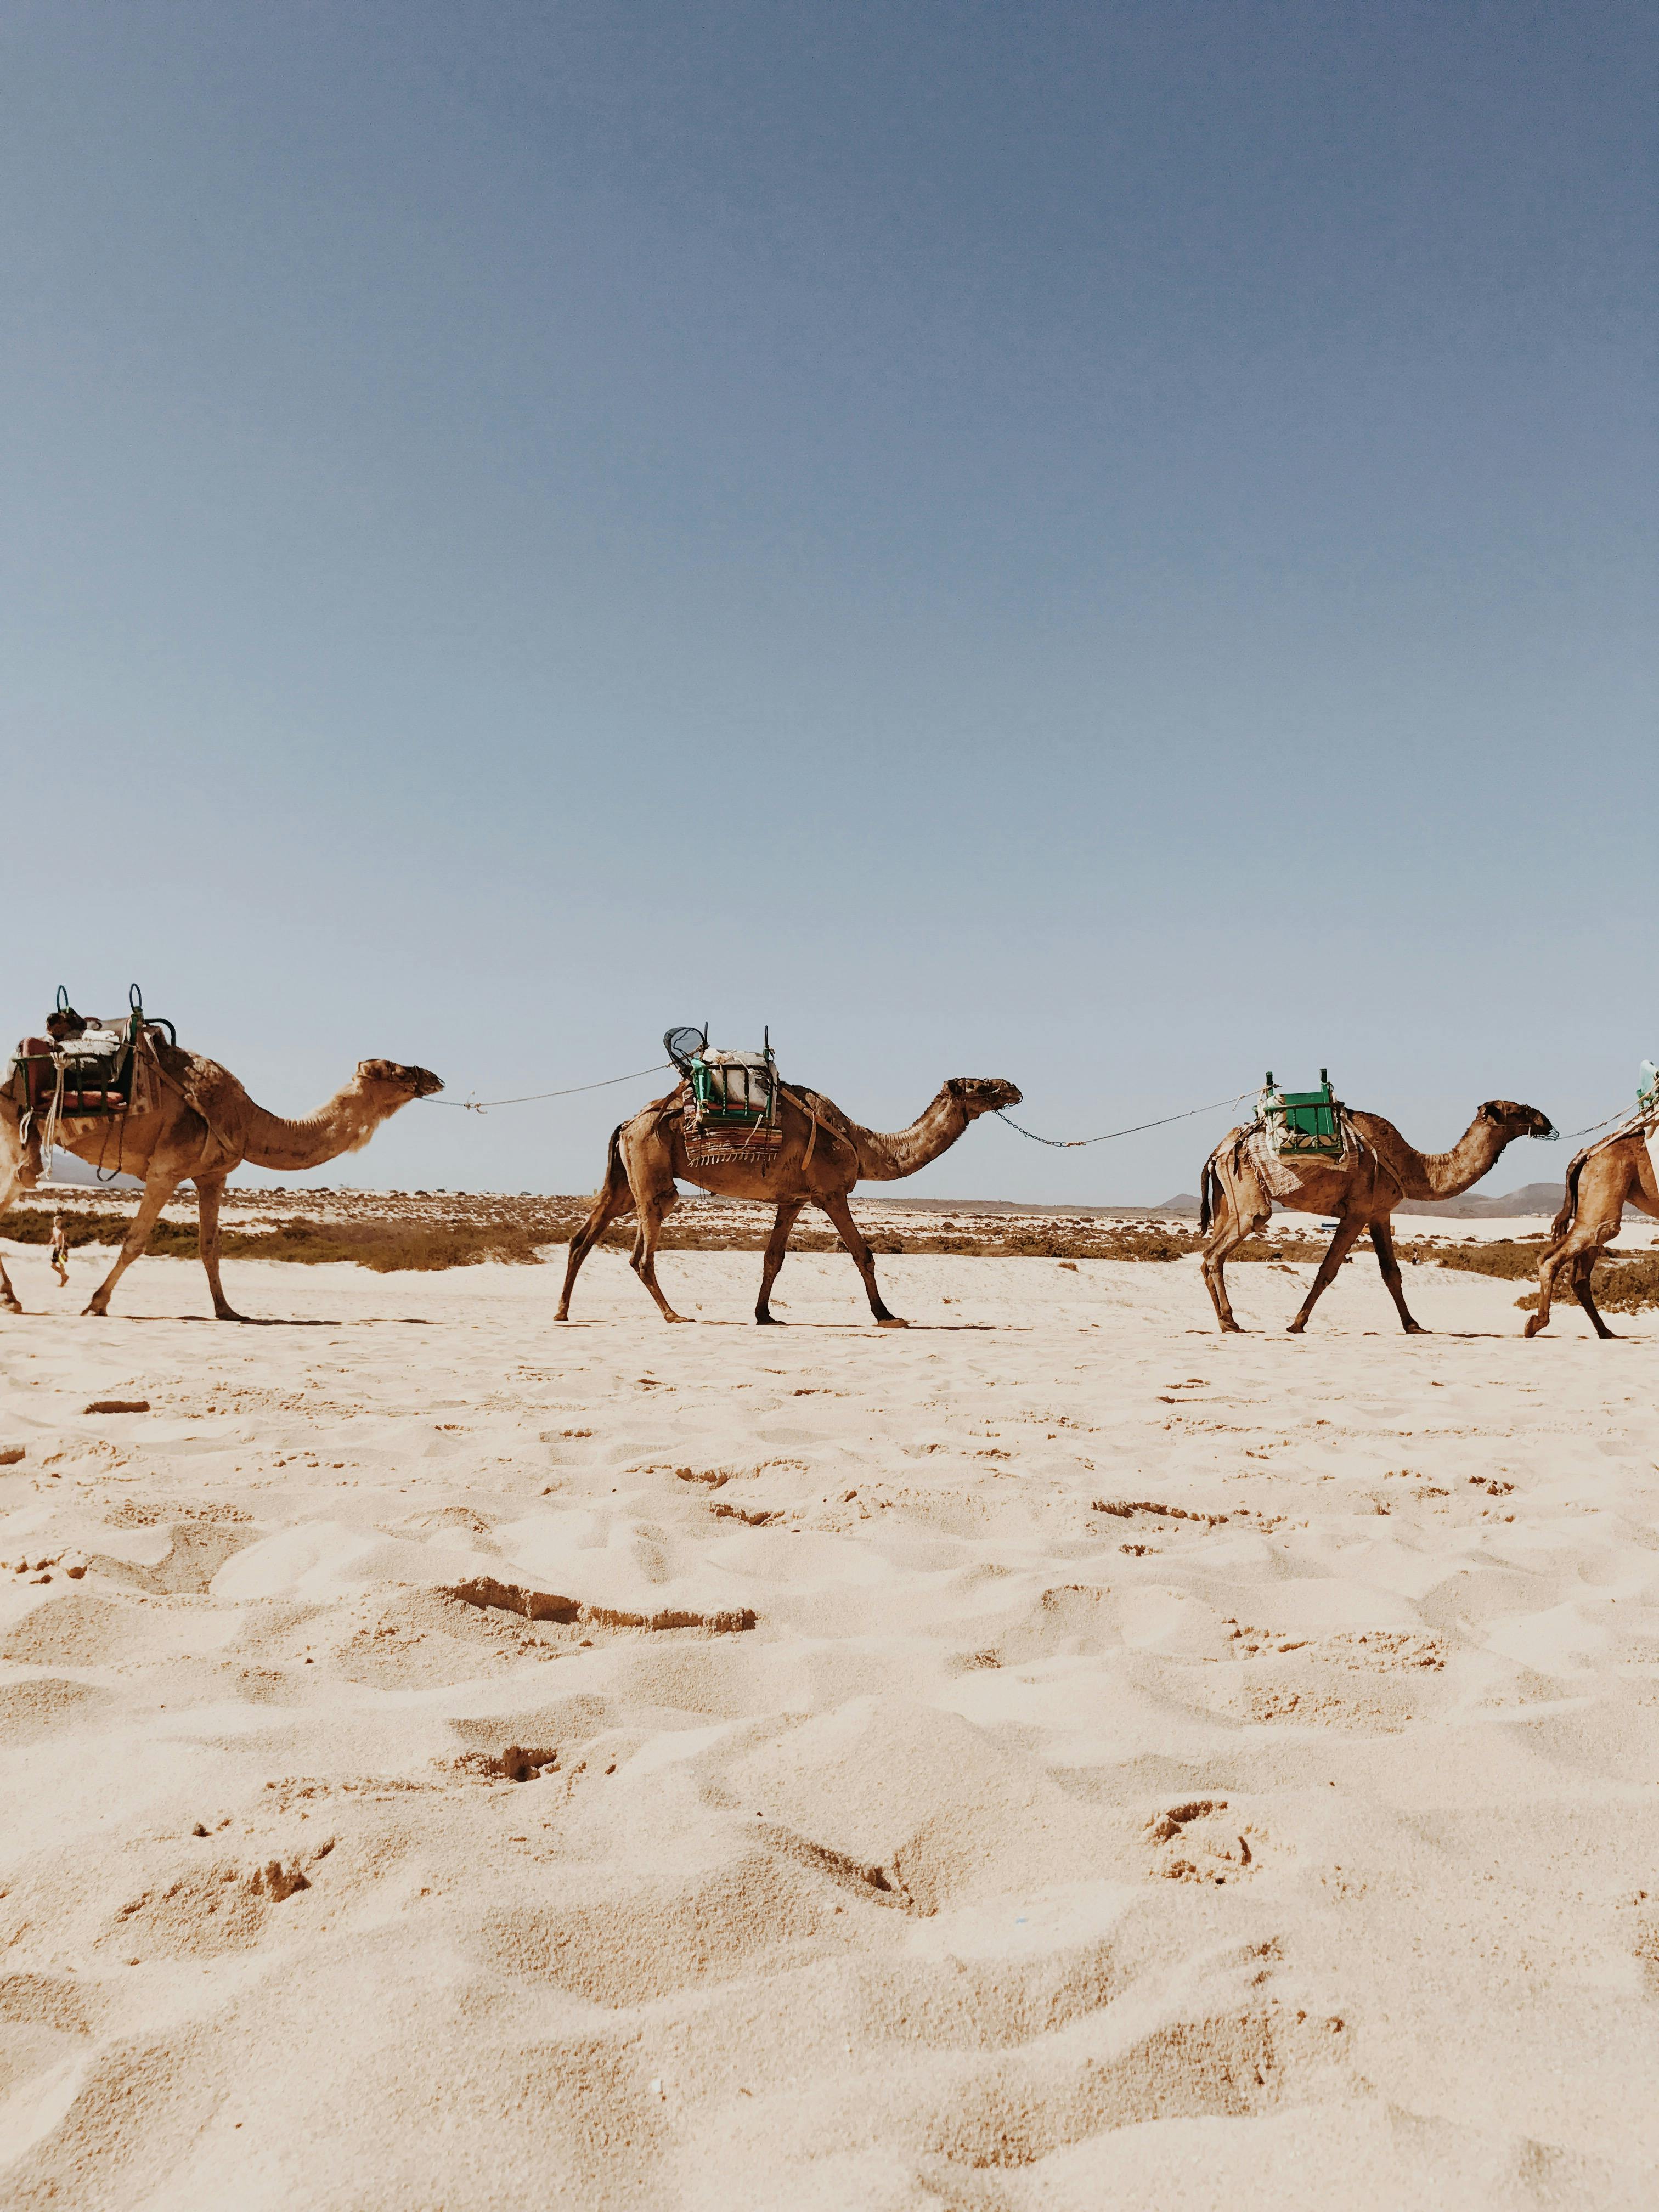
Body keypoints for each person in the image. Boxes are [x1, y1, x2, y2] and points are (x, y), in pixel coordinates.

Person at [49, 1212, 70, 1290]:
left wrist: (62, 1251)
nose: (57, 1224)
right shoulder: (54, 1230)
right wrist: (49, 1245)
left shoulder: (62, 1232)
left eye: (58, 1222)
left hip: (62, 1250)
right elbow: (53, 1238)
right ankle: (65, 1276)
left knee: (62, 1266)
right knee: (53, 1266)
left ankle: (62, 1283)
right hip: (57, 1249)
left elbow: (63, 1242)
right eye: (56, 1222)